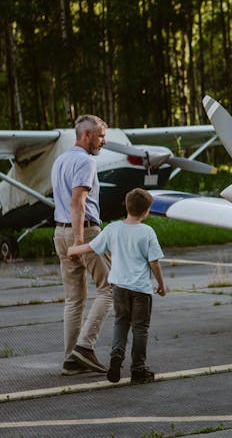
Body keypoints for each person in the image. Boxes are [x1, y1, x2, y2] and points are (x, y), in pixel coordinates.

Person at [68, 188, 166, 384]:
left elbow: (91, 247)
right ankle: (138, 368)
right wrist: (161, 284)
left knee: (121, 323)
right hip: (141, 290)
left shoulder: (113, 228)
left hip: (119, 287)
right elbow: (154, 262)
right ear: (146, 211)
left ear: (126, 207)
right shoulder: (147, 232)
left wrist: (72, 249)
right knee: (140, 328)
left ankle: (115, 359)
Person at [51, 114, 112, 376]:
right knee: (109, 287)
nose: (103, 142)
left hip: (59, 231)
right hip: (83, 233)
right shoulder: (85, 161)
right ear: (86, 135)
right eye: (100, 136)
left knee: (74, 298)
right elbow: (79, 201)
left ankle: (70, 360)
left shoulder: (61, 160)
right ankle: (84, 347)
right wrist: (78, 242)